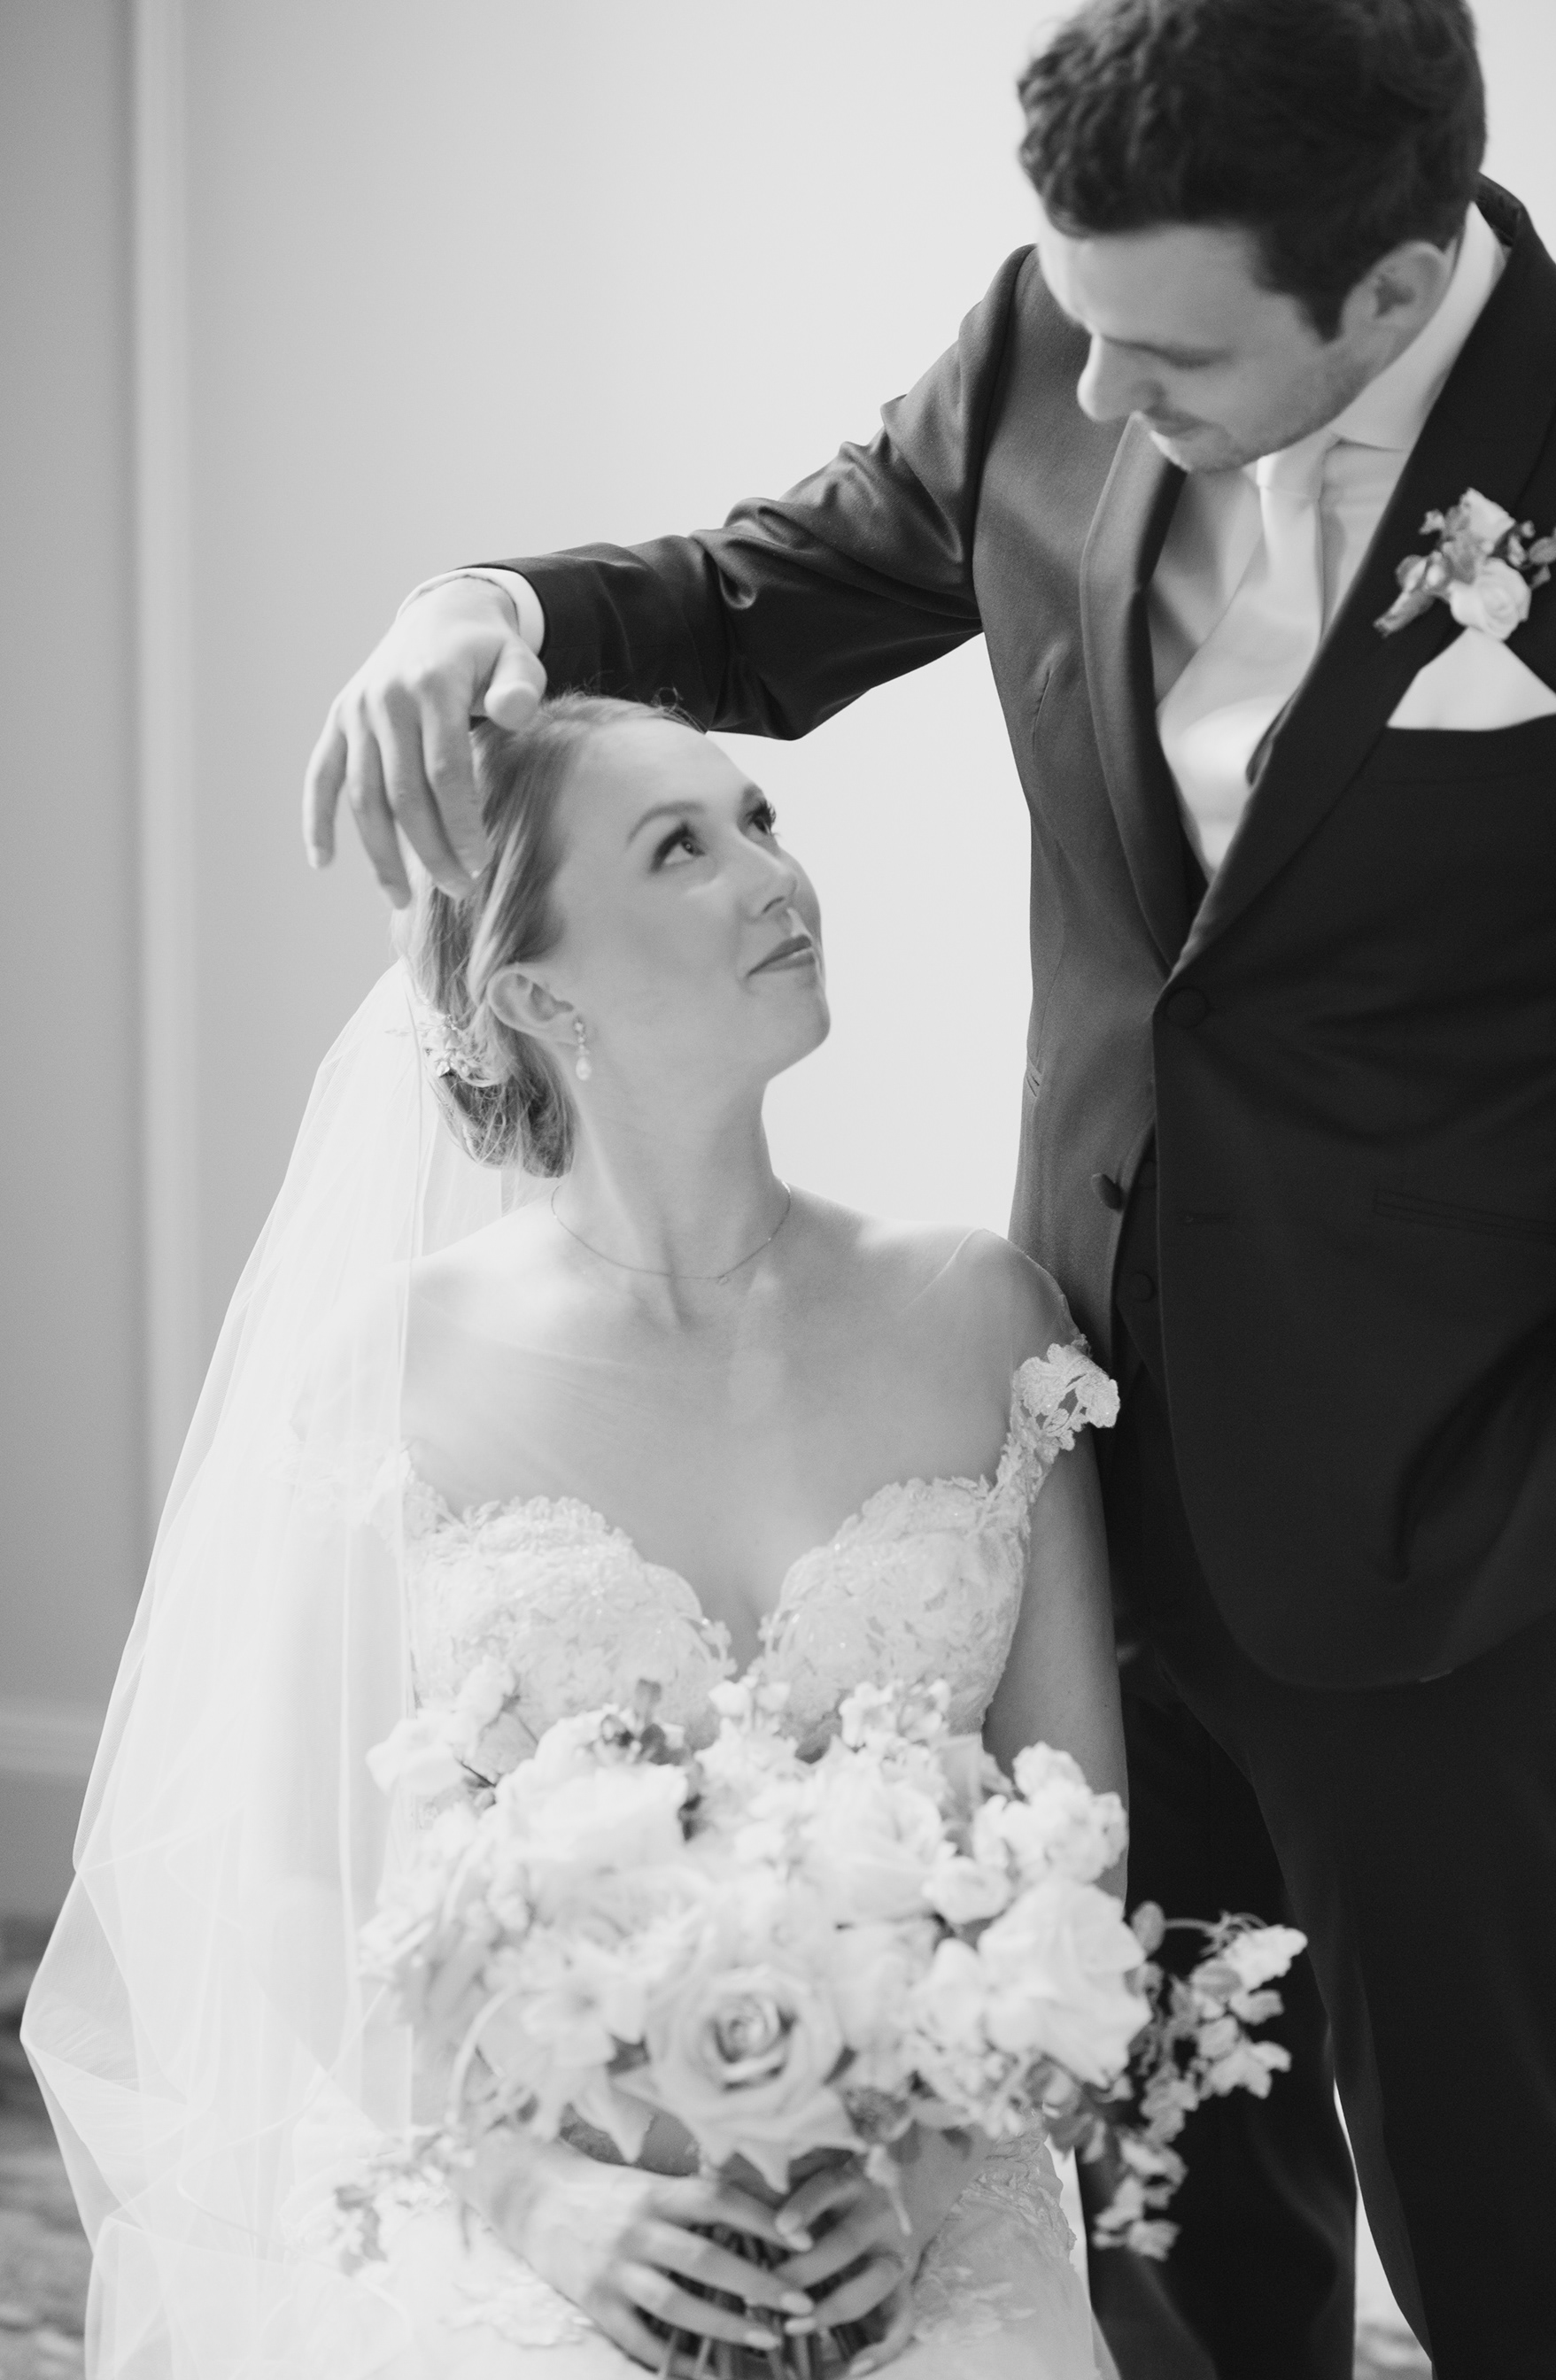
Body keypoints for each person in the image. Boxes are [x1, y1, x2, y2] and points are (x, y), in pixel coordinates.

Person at [298, 2, 1556, 2375]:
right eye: (1081, 322)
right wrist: (490, 608)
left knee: (1513, 2254)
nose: (1104, 389)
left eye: (1174, 356)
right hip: (1077, 1469)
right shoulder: (1065, 336)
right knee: (1168, 2238)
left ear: (1389, 289)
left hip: (1461, 1539)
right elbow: (758, 598)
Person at [25, 692, 1135, 2376]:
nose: (774, 876)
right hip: (528, 2204)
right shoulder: (400, 1369)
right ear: (537, 993)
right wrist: (535, 2196)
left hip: (916, 2200)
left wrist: (913, 2171)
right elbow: (297, 1886)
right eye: (683, 848)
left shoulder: (983, 1317)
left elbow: (1079, 1848)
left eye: (760, 820)